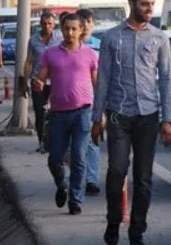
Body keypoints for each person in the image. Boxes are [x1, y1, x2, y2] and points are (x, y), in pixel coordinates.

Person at [92, 0, 171, 245]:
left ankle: (137, 231)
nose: (149, 9)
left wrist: (167, 119)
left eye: (152, 3)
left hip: (148, 116)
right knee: (117, 171)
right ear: (132, 3)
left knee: (144, 177)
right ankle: (114, 221)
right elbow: (103, 78)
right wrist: (96, 118)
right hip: (118, 115)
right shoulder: (111, 38)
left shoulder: (159, 38)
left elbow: (166, 79)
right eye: (144, 4)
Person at [33, 13, 99, 215]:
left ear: (81, 31)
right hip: (58, 114)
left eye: (74, 29)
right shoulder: (50, 54)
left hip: (83, 113)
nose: (70, 33)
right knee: (55, 159)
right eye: (66, 28)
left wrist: (100, 113)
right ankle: (62, 184)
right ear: (61, 30)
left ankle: (75, 199)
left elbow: (97, 85)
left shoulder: (90, 55)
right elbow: (41, 79)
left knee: (79, 157)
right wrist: (39, 84)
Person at [22, 12, 62, 153]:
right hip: (37, 81)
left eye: (50, 24)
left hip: (57, 82)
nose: (47, 26)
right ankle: (42, 143)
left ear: (54, 25)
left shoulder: (60, 38)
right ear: (40, 24)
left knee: (54, 114)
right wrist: (24, 82)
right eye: (44, 23)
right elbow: (29, 62)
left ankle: (54, 143)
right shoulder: (33, 40)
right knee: (40, 113)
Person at [76, 8, 102, 195]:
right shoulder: (65, 47)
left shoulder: (101, 47)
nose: (85, 25)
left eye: (88, 21)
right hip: (69, 102)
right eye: (82, 21)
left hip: (92, 101)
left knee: (92, 142)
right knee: (73, 145)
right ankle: (76, 177)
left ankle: (91, 180)